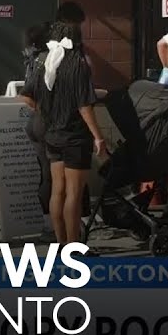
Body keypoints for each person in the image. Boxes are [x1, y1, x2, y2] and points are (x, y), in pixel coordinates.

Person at [21, 20, 106, 244]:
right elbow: (84, 105)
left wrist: (45, 110)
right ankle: (73, 245)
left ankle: (61, 243)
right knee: (74, 194)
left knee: (57, 190)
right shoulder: (78, 64)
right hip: (75, 136)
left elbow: (26, 96)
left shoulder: (43, 61)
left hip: (52, 135)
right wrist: (98, 136)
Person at [19, 21, 53, 232]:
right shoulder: (49, 60)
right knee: (52, 177)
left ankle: (49, 225)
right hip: (49, 124)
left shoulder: (31, 60)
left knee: (45, 174)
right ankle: (56, 228)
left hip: (35, 122)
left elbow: (26, 95)